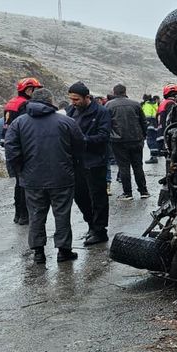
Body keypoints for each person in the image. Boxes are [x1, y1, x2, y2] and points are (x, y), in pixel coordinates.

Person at [4, 88, 84, 264]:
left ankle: (38, 252)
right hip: (62, 177)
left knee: (36, 215)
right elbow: (79, 147)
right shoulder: (66, 122)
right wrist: (72, 166)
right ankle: (64, 251)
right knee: (62, 214)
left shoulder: (19, 123)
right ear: (51, 101)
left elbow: (11, 149)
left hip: (32, 180)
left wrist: (20, 170)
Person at [67, 82, 112, 245]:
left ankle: (100, 230)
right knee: (80, 196)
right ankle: (91, 225)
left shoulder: (101, 112)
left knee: (98, 197)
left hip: (95, 161)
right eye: (71, 99)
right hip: (76, 161)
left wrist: (82, 140)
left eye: (76, 99)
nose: (73, 102)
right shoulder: (71, 111)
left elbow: (104, 136)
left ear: (87, 97)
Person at [3, 77, 43, 225]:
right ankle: (24, 215)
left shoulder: (12, 102)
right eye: (35, 89)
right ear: (28, 89)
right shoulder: (26, 104)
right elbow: (26, 127)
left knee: (19, 183)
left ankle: (19, 214)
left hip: (11, 146)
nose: (37, 92)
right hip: (23, 148)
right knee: (25, 184)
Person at [106, 84, 149, 200]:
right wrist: (143, 136)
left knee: (124, 167)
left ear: (114, 92)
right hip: (136, 139)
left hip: (118, 141)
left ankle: (127, 193)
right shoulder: (135, 104)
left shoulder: (109, 105)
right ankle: (143, 191)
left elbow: (106, 124)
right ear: (125, 91)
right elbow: (143, 122)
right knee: (138, 166)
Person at [156, 84, 177, 156]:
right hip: (168, 136)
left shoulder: (163, 103)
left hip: (161, 134)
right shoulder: (171, 103)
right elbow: (172, 120)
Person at [141, 93, 159, 163]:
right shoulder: (154, 104)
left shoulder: (147, 105)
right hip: (154, 124)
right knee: (153, 139)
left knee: (150, 140)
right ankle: (154, 155)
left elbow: (146, 116)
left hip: (149, 124)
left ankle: (154, 157)